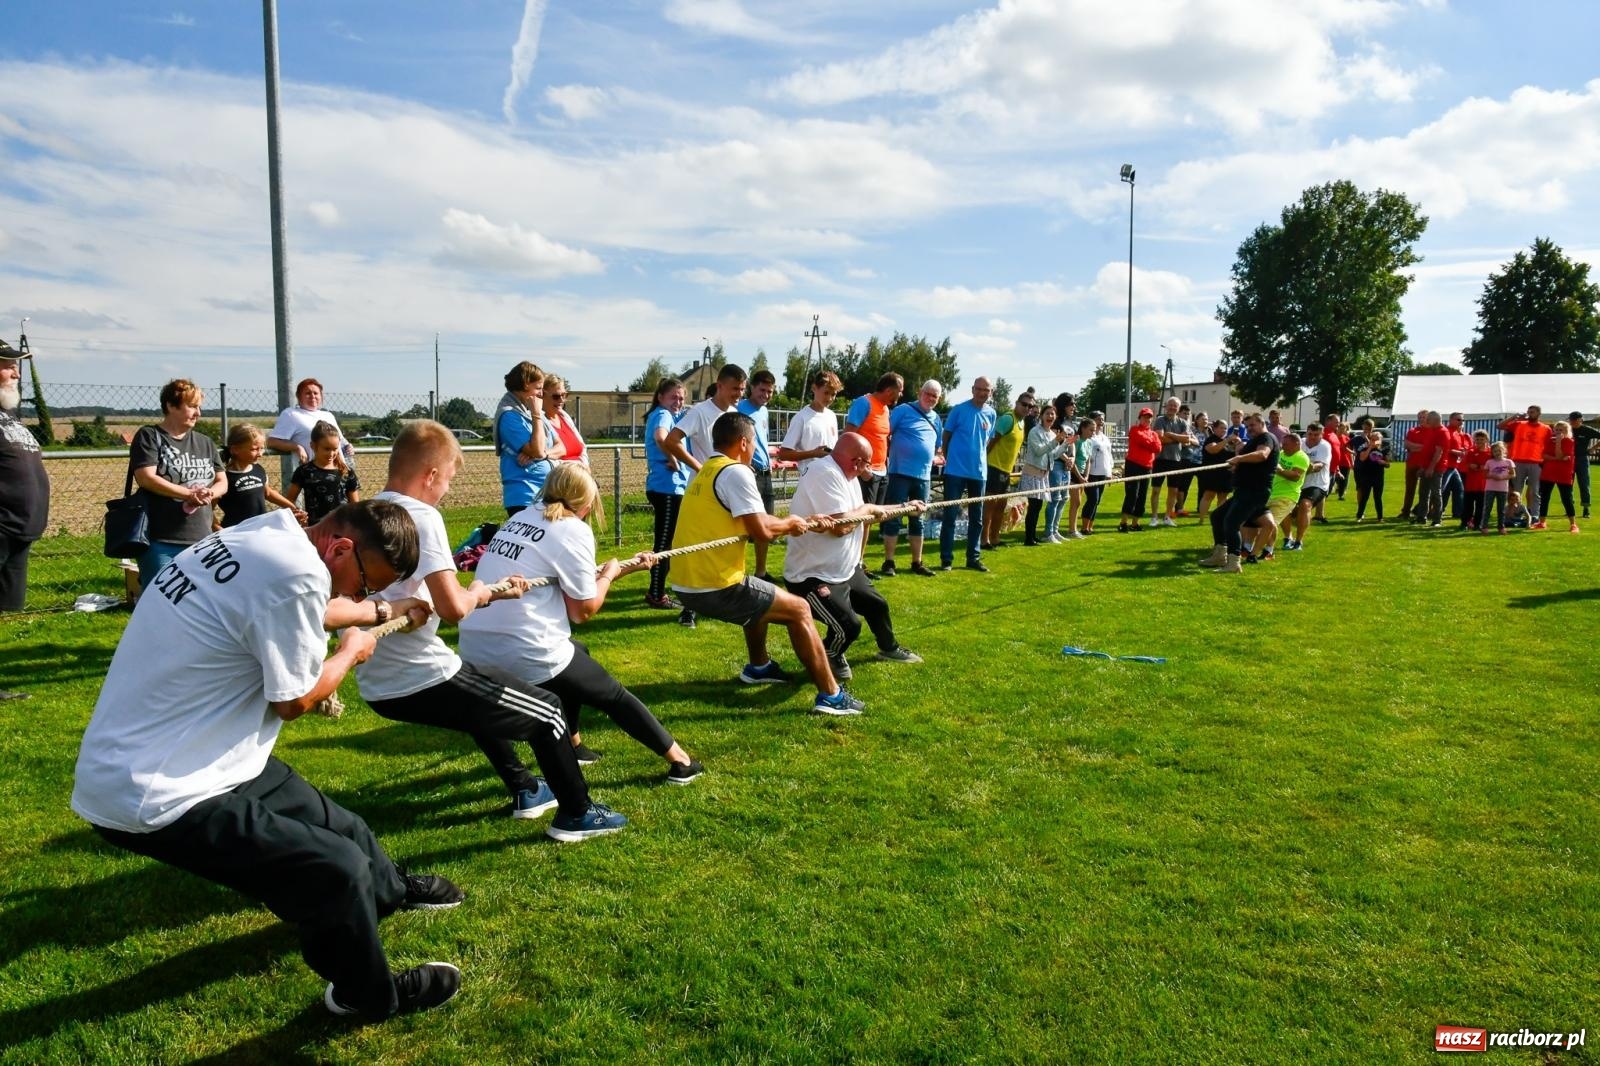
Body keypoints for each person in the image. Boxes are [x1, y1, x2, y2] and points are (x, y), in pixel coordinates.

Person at [72, 499, 467, 1020]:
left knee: (344, 827)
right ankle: (364, 997)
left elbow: (305, 608)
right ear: (341, 547)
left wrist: (377, 612)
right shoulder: (297, 573)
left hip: (211, 756)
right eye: (366, 583)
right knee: (337, 871)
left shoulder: (269, 534)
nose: (360, 594)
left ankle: (388, 894)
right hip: (158, 789)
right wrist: (350, 652)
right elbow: (295, 700)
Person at [356, 420, 625, 842]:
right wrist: (482, 590)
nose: (446, 488)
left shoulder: (367, 511)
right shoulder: (422, 517)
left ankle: (527, 789)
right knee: (549, 712)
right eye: (448, 478)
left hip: (376, 679)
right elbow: (454, 608)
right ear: (430, 474)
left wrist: (493, 593)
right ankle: (578, 814)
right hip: (417, 675)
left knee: (483, 699)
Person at [460, 464, 704, 783]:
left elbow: (562, 581)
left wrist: (627, 569)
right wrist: (609, 575)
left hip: (475, 646)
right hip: (523, 648)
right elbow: (582, 611)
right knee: (613, 695)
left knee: (579, 650)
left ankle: (574, 744)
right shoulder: (573, 528)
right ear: (587, 504)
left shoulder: (518, 518)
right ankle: (680, 761)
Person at [671, 412, 864, 715]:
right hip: (713, 584)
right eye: (755, 444)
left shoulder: (708, 469)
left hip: (685, 583)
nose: (756, 451)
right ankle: (832, 696)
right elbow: (761, 531)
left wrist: (801, 521)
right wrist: (791, 524)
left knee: (761, 594)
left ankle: (759, 667)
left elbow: (756, 521)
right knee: (799, 610)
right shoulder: (736, 472)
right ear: (744, 442)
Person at [784, 431, 924, 682]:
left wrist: (905, 507)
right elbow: (841, 527)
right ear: (856, 461)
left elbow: (869, 513)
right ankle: (829, 654)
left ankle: (889, 648)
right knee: (848, 626)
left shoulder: (847, 475)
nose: (866, 469)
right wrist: (869, 509)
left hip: (846, 569)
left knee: (876, 605)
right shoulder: (824, 473)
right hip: (811, 575)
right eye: (866, 463)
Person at [129, 378, 228, 590]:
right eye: (192, 406)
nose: (198, 413)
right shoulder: (149, 436)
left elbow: (222, 480)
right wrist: (188, 495)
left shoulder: (205, 442)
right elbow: (146, 477)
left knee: (201, 602)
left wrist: (209, 493)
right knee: (160, 600)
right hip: (160, 540)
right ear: (171, 406)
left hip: (201, 538)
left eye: (199, 407)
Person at [0, 338, 48, 614]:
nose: (17, 374)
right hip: (3, 527)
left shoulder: (9, 413)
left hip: (20, 530)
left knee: (7, 611)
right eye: (8, 366)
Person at [1198, 412, 1278, 574]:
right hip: (1244, 490)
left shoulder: (1266, 438)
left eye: (1252, 425)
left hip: (1255, 490)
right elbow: (1251, 462)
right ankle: (1220, 555)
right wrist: (1238, 465)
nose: (1249, 429)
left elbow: (1262, 455)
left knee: (1231, 523)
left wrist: (1239, 459)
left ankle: (1234, 562)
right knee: (1218, 516)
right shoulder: (1255, 441)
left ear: (1262, 424)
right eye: (1247, 426)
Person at [880, 378, 943, 576]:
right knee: (894, 518)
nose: (930, 398)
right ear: (919, 392)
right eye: (928, 393)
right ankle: (889, 562)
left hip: (923, 476)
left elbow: (937, 446)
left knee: (918, 520)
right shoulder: (902, 410)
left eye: (935, 396)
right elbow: (885, 432)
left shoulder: (936, 419)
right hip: (899, 473)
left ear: (938, 399)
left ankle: (917, 562)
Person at [643, 378, 692, 617]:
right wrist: (673, 458)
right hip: (666, 488)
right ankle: (656, 594)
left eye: (681, 398)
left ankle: (658, 591)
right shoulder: (662, 414)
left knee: (667, 542)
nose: (678, 402)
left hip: (670, 487)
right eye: (674, 397)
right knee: (663, 544)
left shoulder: (670, 415)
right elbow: (661, 437)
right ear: (661, 397)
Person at [939, 377, 996, 571]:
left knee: (977, 519)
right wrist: (949, 458)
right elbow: (946, 436)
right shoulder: (958, 410)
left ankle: (973, 558)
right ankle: (946, 560)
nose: (982, 393)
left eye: (986, 390)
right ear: (972, 389)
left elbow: (987, 441)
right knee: (950, 516)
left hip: (979, 473)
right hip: (955, 471)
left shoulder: (991, 414)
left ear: (991, 393)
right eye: (979, 389)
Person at [493, 360, 563, 517]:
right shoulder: (510, 415)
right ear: (525, 385)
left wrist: (544, 454)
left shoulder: (529, 410)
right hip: (525, 496)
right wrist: (536, 415)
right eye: (538, 388)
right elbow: (536, 450)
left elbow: (560, 447)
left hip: (546, 492)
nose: (540, 393)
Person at [664, 363, 747, 472]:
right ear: (720, 386)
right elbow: (671, 440)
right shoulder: (699, 411)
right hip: (706, 484)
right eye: (735, 389)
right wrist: (700, 468)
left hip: (725, 482)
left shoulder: (734, 412)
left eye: (742, 389)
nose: (740, 394)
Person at [217, 423, 302, 529]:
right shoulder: (223, 478)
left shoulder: (258, 469)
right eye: (254, 449)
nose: (260, 453)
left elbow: (268, 493)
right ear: (235, 449)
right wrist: (219, 530)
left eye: (261, 448)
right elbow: (208, 510)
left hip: (260, 529)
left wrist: (292, 507)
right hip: (236, 533)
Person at [737, 368, 779, 580]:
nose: (766, 395)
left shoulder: (764, 412)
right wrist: (744, 464)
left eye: (770, 391)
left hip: (765, 473)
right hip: (748, 474)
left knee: (765, 525)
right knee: (743, 527)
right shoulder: (738, 409)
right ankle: (737, 572)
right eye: (762, 390)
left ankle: (761, 572)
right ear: (752, 387)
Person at [266, 377, 352, 467]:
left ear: (321, 396)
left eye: (316, 393)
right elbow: (272, 441)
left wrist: (348, 446)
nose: (312, 396)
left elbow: (340, 441)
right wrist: (297, 447)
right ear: (299, 396)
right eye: (307, 393)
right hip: (311, 472)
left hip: (337, 470)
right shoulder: (291, 414)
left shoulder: (328, 415)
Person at [288, 421, 361, 524]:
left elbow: (355, 505)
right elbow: (290, 499)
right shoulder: (304, 471)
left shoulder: (346, 471)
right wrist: (299, 515)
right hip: (316, 529)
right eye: (326, 449)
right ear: (313, 446)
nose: (331, 454)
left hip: (342, 528)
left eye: (335, 449)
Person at [1019, 401, 1071, 545]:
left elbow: (1053, 455)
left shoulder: (1050, 434)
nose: (1050, 416)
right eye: (1047, 413)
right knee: (1034, 506)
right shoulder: (1034, 432)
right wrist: (1056, 441)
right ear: (1041, 416)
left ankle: (1032, 536)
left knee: (1038, 507)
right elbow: (1039, 451)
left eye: (1052, 414)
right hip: (1032, 472)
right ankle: (1028, 538)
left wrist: (1066, 443)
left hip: (1043, 474)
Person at [981, 393, 1030, 548]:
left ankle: (995, 538)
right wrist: (982, 462)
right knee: (989, 507)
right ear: (1017, 403)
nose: (1026, 408)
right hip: (994, 467)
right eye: (1024, 404)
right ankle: (984, 540)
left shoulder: (1022, 423)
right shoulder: (1008, 419)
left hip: (1006, 471)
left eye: (1030, 406)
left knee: (1001, 507)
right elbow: (991, 442)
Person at [775, 369, 843, 477]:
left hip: (832, 476)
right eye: (826, 393)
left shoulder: (832, 416)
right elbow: (783, 454)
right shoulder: (801, 418)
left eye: (833, 394)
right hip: (811, 478)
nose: (830, 398)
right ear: (814, 388)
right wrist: (813, 453)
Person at [1499, 406, 1550, 526]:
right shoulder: (1519, 424)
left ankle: (1535, 515)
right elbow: (1500, 426)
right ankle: (1514, 513)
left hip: (1536, 462)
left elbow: (1548, 445)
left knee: (1535, 490)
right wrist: (1513, 417)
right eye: (1528, 412)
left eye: (1532, 412)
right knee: (1516, 491)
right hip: (1518, 461)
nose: (1529, 414)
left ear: (1539, 413)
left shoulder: (1546, 428)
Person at [1285, 423, 1331, 551]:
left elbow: (1318, 467)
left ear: (1321, 435)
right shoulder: (1300, 442)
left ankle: (1299, 542)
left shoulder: (1325, 446)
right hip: (1298, 482)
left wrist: (1305, 465)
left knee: (1305, 505)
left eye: (1316, 435)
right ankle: (1288, 538)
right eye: (1310, 434)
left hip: (1317, 484)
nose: (1312, 437)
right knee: (1285, 507)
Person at [1149, 397, 1194, 526]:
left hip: (1176, 460)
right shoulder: (1160, 420)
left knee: (1173, 491)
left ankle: (1167, 517)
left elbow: (1187, 440)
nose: (1172, 408)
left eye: (1175, 406)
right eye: (1170, 405)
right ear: (1166, 406)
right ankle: (1154, 517)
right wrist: (1178, 439)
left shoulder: (1182, 422)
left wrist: (1171, 435)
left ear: (1178, 408)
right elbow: (1160, 439)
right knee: (1156, 490)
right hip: (1160, 459)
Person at [1118, 407, 1161, 533]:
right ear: (1140, 418)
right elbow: (1145, 442)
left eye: (1149, 417)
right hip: (1133, 465)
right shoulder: (1134, 430)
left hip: (1147, 467)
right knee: (1132, 495)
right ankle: (1123, 522)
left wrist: (1150, 442)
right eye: (1144, 417)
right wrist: (1150, 443)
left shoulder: (1154, 433)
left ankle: (1135, 523)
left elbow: (1158, 448)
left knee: (1142, 496)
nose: (1147, 419)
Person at [1044, 393, 1079, 539]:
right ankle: (1048, 532)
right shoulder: (1056, 423)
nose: (1074, 407)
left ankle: (1056, 530)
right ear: (1064, 405)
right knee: (1055, 498)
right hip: (1057, 464)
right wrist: (1066, 459)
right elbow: (1054, 447)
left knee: (1064, 498)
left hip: (1067, 465)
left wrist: (1072, 458)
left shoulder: (1070, 423)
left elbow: (1073, 443)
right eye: (1071, 404)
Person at [1410, 411, 1449, 526]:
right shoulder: (1432, 430)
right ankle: (1421, 517)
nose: (1426, 421)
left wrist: (1431, 468)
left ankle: (1437, 519)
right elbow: (1427, 450)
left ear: (1436, 420)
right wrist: (1423, 467)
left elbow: (1438, 452)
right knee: (1423, 493)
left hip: (1437, 467)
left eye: (1428, 419)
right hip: (1427, 466)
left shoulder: (1442, 432)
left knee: (1436, 493)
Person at [1540, 420, 1579, 533]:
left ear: (1567, 431)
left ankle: (1573, 524)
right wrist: (1557, 459)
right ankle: (1542, 522)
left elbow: (1559, 454)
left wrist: (1558, 443)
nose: (1557, 432)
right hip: (1548, 473)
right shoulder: (1549, 441)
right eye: (1556, 430)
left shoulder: (1569, 442)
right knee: (1545, 498)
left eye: (1560, 430)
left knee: (1566, 498)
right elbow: (1544, 455)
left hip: (1563, 474)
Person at [542, 375, 588, 468]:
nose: (561, 400)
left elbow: (582, 449)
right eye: (556, 396)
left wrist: (584, 466)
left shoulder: (565, 417)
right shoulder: (538, 423)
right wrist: (578, 466)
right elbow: (542, 460)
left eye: (564, 395)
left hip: (581, 477)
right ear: (542, 396)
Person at [1196, 418, 1235, 522]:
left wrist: (1237, 443)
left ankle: (1219, 519)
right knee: (1208, 495)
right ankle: (1201, 519)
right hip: (1212, 474)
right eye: (1221, 428)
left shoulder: (1228, 442)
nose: (1224, 430)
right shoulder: (1211, 439)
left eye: (1226, 428)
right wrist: (1227, 440)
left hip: (1226, 474)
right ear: (1215, 428)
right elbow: (1213, 450)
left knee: (1223, 497)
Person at [1080, 412, 1114, 534]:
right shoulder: (1090, 437)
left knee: (1097, 500)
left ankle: (1090, 526)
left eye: (1103, 419)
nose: (1101, 421)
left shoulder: (1105, 437)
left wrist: (1109, 472)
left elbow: (1109, 455)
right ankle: (1084, 527)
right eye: (1098, 419)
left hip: (1103, 472)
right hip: (1092, 473)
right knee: (1092, 499)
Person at [1352, 423, 1390, 522]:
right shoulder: (1364, 448)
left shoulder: (1384, 450)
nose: (1374, 441)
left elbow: (1388, 464)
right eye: (1372, 439)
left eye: (1376, 439)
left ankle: (1380, 517)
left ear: (1381, 440)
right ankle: (1359, 516)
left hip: (1378, 477)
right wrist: (1370, 447)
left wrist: (1384, 462)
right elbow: (1362, 458)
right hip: (1366, 476)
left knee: (1378, 498)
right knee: (1364, 497)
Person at [1399, 408, 1430, 520]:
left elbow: (1429, 448)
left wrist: (1415, 446)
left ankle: (1421, 512)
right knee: (1409, 489)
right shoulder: (1413, 430)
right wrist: (1421, 447)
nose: (1421, 419)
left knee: (1425, 490)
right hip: (1412, 463)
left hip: (1426, 464)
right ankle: (1405, 512)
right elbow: (1406, 445)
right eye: (1420, 417)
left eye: (1424, 417)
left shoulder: (1432, 431)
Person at [1569, 411, 1599, 519]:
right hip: (1569, 460)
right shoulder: (1568, 429)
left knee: (1584, 484)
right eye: (1571, 420)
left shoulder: (1587, 430)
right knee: (1568, 484)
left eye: (1575, 420)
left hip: (1582, 459)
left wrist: (1592, 448)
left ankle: (1586, 508)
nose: (1572, 422)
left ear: (1581, 420)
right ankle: (1569, 508)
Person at [1460, 429, 1491, 531]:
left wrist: (1479, 466)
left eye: (1482, 439)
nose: (1479, 441)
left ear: (1486, 440)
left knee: (1481, 506)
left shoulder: (1490, 453)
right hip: (1471, 484)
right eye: (1477, 439)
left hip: (1483, 485)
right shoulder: (1471, 451)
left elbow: (1487, 467)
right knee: (1468, 506)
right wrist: (1480, 466)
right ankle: (1464, 523)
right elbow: (1470, 465)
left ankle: (1477, 524)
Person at [1483, 442, 1515, 533]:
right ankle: (1484, 526)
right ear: (1492, 453)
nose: (1497, 452)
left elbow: (1513, 474)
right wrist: (1493, 476)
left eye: (1499, 450)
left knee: (1501, 509)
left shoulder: (1508, 462)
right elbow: (1485, 474)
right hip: (1490, 489)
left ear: (1504, 450)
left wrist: (1503, 477)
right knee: (1487, 508)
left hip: (1503, 489)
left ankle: (1501, 527)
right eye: (1495, 451)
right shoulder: (1489, 462)